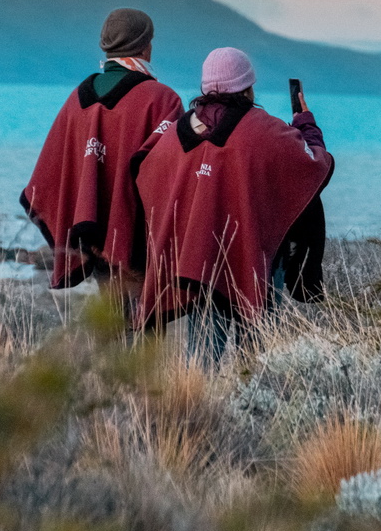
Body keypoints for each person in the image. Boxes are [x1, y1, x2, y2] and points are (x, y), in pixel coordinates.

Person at [133, 47, 334, 362]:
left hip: (198, 260)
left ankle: (194, 409)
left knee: (201, 359)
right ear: (248, 87)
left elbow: (145, 168)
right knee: (257, 357)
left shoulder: (178, 132)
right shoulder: (267, 130)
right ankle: (252, 402)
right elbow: (315, 166)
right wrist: (305, 124)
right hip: (257, 262)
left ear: (205, 88)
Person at [21, 8, 183, 308]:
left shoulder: (77, 98)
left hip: (92, 235)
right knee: (144, 325)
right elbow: (175, 170)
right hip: (138, 239)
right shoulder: (161, 99)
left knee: (112, 317)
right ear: (145, 45)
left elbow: (53, 169)